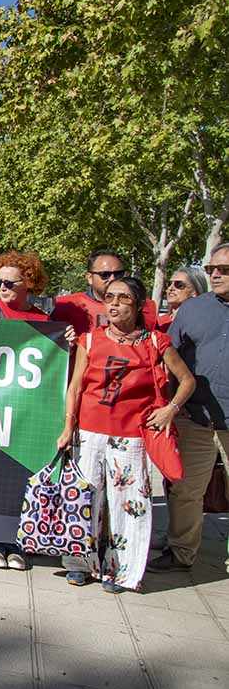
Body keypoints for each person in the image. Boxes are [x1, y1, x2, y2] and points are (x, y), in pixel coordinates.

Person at [57, 277, 194, 592]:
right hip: (89, 433)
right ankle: (80, 564)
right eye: (109, 297)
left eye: (123, 298)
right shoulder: (89, 339)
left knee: (129, 505)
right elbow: (75, 386)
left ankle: (121, 570)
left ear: (139, 304)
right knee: (84, 499)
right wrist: (68, 426)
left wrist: (170, 409)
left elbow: (187, 380)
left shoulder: (157, 342)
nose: (114, 304)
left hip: (131, 436)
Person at [151, 246, 229, 574]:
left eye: (223, 269)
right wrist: (170, 407)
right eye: (211, 268)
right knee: (185, 490)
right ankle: (181, 551)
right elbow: (170, 362)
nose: (214, 274)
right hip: (197, 419)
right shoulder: (193, 310)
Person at [0, 251, 51, 570]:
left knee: (22, 480)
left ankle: (18, 541)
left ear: (29, 283)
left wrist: (67, 341)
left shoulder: (46, 324)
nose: (1, 287)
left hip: (28, 415)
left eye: (9, 282)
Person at [52, 249, 158, 337]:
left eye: (118, 273)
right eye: (104, 274)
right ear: (89, 277)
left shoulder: (144, 306)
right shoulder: (65, 306)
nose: (112, 279)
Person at [158, 267, 207, 331]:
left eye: (179, 285)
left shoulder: (202, 324)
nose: (170, 288)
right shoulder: (158, 323)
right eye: (169, 284)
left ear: (194, 291)